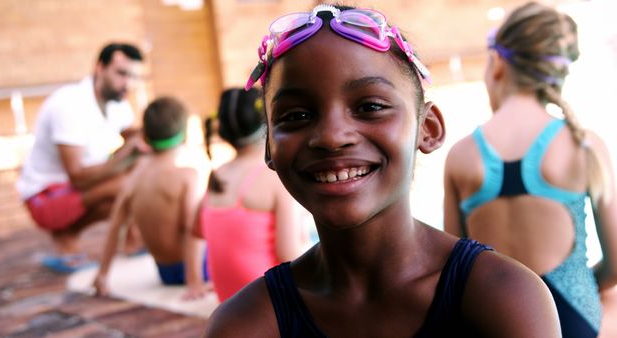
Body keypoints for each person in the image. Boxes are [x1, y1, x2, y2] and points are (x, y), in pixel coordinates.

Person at [202, 4, 561, 337]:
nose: (331, 137)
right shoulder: (245, 324)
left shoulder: (504, 298)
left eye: (370, 106)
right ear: (269, 147)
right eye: (296, 116)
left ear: (428, 128)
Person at [443, 2, 617, 338]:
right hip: (574, 320)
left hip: (495, 323)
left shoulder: (461, 155)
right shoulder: (583, 144)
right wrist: (580, 285)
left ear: (497, 62)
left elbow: (451, 273)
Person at [17, 42, 148, 273]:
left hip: (77, 189)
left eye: (133, 77)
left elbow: (134, 137)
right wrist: (124, 157)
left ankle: (74, 235)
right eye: (121, 73)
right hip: (44, 196)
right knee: (124, 184)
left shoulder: (118, 103)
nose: (128, 83)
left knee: (138, 169)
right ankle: (123, 240)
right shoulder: (68, 105)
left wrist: (161, 133)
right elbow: (77, 176)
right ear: (100, 68)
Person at [192, 87, 309, 303]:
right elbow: (289, 254)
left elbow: (196, 229)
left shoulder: (217, 175)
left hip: (228, 299)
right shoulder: (274, 178)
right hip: (266, 301)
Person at [93, 96, 212, 299]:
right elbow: (190, 229)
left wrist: (102, 274)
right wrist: (194, 282)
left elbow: (116, 226)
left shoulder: (134, 176)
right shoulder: (187, 176)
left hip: (165, 272)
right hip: (196, 269)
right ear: (184, 135)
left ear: (145, 137)